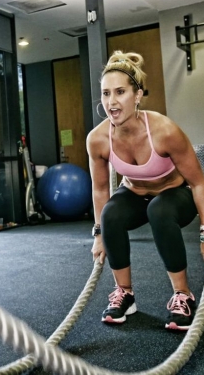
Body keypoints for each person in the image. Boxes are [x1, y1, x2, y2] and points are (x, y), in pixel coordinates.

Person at [86, 50, 204, 331]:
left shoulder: (164, 130)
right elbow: (101, 190)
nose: (111, 102)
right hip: (136, 194)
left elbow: (199, 182)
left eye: (120, 92)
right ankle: (124, 293)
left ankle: (182, 295)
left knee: (159, 209)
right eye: (105, 94)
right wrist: (99, 235)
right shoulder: (98, 139)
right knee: (111, 213)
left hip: (177, 194)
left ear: (137, 95)